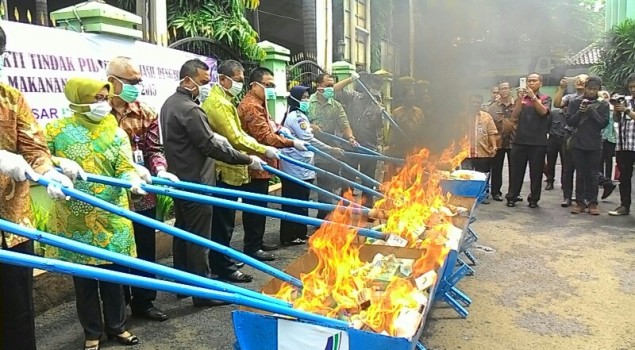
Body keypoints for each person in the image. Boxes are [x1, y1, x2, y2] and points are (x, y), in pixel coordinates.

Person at [44, 77, 146, 350]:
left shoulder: (115, 131)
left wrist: (132, 177)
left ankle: (117, 327)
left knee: (114, 278)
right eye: (96, 98)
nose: (103, 104)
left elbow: (124, 165)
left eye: (105, 98)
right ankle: (91, 332)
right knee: (85, 281)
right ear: (78, 98)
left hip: (112, 215)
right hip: (75, 218)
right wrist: (57, 165)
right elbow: (39, 157)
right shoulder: (56, 129)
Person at [160, 59, 262, 305]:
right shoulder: (190, 109)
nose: (206, 86)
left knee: (183, 233)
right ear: (187, 80)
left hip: (180, 178)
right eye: (203, 82)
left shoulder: (170, 104)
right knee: (199, 239)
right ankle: (203, 292)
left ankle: (184, 283)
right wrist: (247, 160)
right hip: (197, 181)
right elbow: (209, 145)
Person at [0, 25, 74, 350]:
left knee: (17, 314)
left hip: (14, 226)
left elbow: (34, 149)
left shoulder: (11, 99)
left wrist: (49, 172)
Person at [106, 56, 176, 322]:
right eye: (132, 81)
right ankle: (117, 305)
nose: (137, 85)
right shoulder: (97, 112)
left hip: (142, 195)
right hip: (111, 197)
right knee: (116, 251)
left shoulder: (146, 112)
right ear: (112, 82)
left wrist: (159, 169)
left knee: (144, 248)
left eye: (139, 81)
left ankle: (144, 302)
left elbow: (154, 149)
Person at [201, 60, 280, 277]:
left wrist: (260, 149)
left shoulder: (227, 101)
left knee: (225, 223)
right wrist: (260, 150)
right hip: (224, 169)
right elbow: (235, 138)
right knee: (222, 224)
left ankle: (224, 262)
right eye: (236, 80)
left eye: (241, 80)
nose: (239, 84)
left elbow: (239, 135)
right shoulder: (219, 104)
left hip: (232, 168)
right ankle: (223, 267)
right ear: (223, 79)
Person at [237, 68, 308, 252]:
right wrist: (292, 142)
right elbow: (265, 137)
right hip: (255, 165)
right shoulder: (251, 105)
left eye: (273, 85)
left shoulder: (261, 103)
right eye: (267, 85)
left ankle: (257, 242)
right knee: (255, 208)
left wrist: (279, 128)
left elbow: (269, 125)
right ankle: (252, 247)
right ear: (254, 85)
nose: (271, 89)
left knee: (260, 208)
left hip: (264, 164)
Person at [279, 86, 345, 245]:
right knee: (295, 201)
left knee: (301, 199)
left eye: (308, 97)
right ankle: (290, 235)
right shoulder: (297, 117)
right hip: (296, 166)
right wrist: (330, 149)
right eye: (303, 98)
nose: (306, 101)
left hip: (300, 165)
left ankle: (299, 233)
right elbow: (309, 140)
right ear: (295, 99)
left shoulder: (297, 115)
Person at [307, 73, 358, 219]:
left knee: (329, 182)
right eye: (328, 85)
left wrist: (350, 137)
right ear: (319, 86)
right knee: (322, 183)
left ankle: (327, 215)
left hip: (331, 147)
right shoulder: (308, 103)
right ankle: (324, 216)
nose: (331, 89)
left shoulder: (336, 105)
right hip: (311, 146)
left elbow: (344, 123)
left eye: (332, 85)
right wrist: (310, 126)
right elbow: (298, 120)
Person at [332, 71, 385, 207]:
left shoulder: (378, 105)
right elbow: (334, 90)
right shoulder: (353, 97)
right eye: (372, 86)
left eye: (377, 87)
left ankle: (367, 210)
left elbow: (379, 129)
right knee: (347, 179)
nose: (373, 90)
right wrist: (350, 80)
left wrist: (380, 113)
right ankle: (344, 208)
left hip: (369, 147)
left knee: (368, 180)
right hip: (351, 145)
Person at [506, 73, 551, 208]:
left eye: (534, 81)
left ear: (540, 83)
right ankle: (512, 196)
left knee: (536, 172)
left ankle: (533, 199)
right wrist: (521, 98)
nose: (531, 83)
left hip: (538, 142)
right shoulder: (522, 99)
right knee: (516, 171)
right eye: (529, 81)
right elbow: (514, 116)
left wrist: (533, 97)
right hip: (520, 140)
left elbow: (543, 112)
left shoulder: (545, 98)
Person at [566, 76, 609, 215]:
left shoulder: (603, 104)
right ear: (585, 88)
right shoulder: (575, 102)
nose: (591, 92)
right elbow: (570, 122)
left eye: (594, 89)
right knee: (580, 173)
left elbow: (603, 123)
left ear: (599, 90)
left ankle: (592, 202)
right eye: (589, 88)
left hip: (595, 143)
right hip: (578, 143)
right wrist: (580, 112)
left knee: (593, 174)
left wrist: (591, 111)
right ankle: (579, 202)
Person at [608, 73, 635, 216]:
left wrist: (627, 110)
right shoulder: (625, 100)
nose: (633, 90)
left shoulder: (628, 106)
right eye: (631, 87)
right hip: (625, 145)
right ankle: (624, 205)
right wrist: (617, 109)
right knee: (624, 177)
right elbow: (617, 121)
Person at [462, 94, 498, 197]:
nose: (475, 104)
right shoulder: (462, 117)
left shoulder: (486, 117)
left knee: (482, 176)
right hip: (465, 153)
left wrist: (494, 146)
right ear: (469, 103)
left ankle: (483, 194)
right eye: (473, 102)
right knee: (466, 175)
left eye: (478, 103)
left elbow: (492, 133)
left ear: (480, 104)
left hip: (483, 152)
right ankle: (467, 194)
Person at [386, 87, 426, 179]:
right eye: (409, 96)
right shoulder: (396, 112)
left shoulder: (419, 112)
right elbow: (392, 130)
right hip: (399, 148)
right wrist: (390, 145)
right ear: (404, 98)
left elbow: (423, 130)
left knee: (412, 173)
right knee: (398, 172)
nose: (412, 98)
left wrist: (422, 146)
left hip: (414, 147)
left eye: (413, 96)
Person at [487, 81, 515, 201]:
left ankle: (513, 193)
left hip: (514, 141)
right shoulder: (493, 108)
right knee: (496, 168)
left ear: (510, 89)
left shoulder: (517, 104)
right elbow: (489, 126)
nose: (504, 91)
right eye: (501, 89)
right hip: (499, 142)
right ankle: (495, 192)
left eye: (506, 88)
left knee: (515, 169)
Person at [598, 90, 617, 200]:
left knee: (609, 159)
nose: (604, 98)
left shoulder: (613, 108)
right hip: (601, 137)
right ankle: (602, 180)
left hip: (611, 137)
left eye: (606, 96)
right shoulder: (600, 108)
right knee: (599, 159)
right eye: (602, 96)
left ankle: (608, 178)